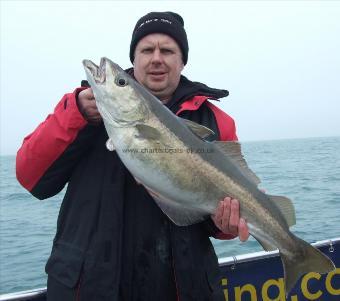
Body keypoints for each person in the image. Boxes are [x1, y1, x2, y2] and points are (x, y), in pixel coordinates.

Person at [16, 11, 249, 301]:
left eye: (167, 50)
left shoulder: (214, 121)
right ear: (134, 58)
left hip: (183, 289)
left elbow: (223, 222)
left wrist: (226, 224)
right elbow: (30, 177)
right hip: (91, 288)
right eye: (146, 50)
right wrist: (76, 115)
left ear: (182, 60)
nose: (156, 58)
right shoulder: (85, 108)